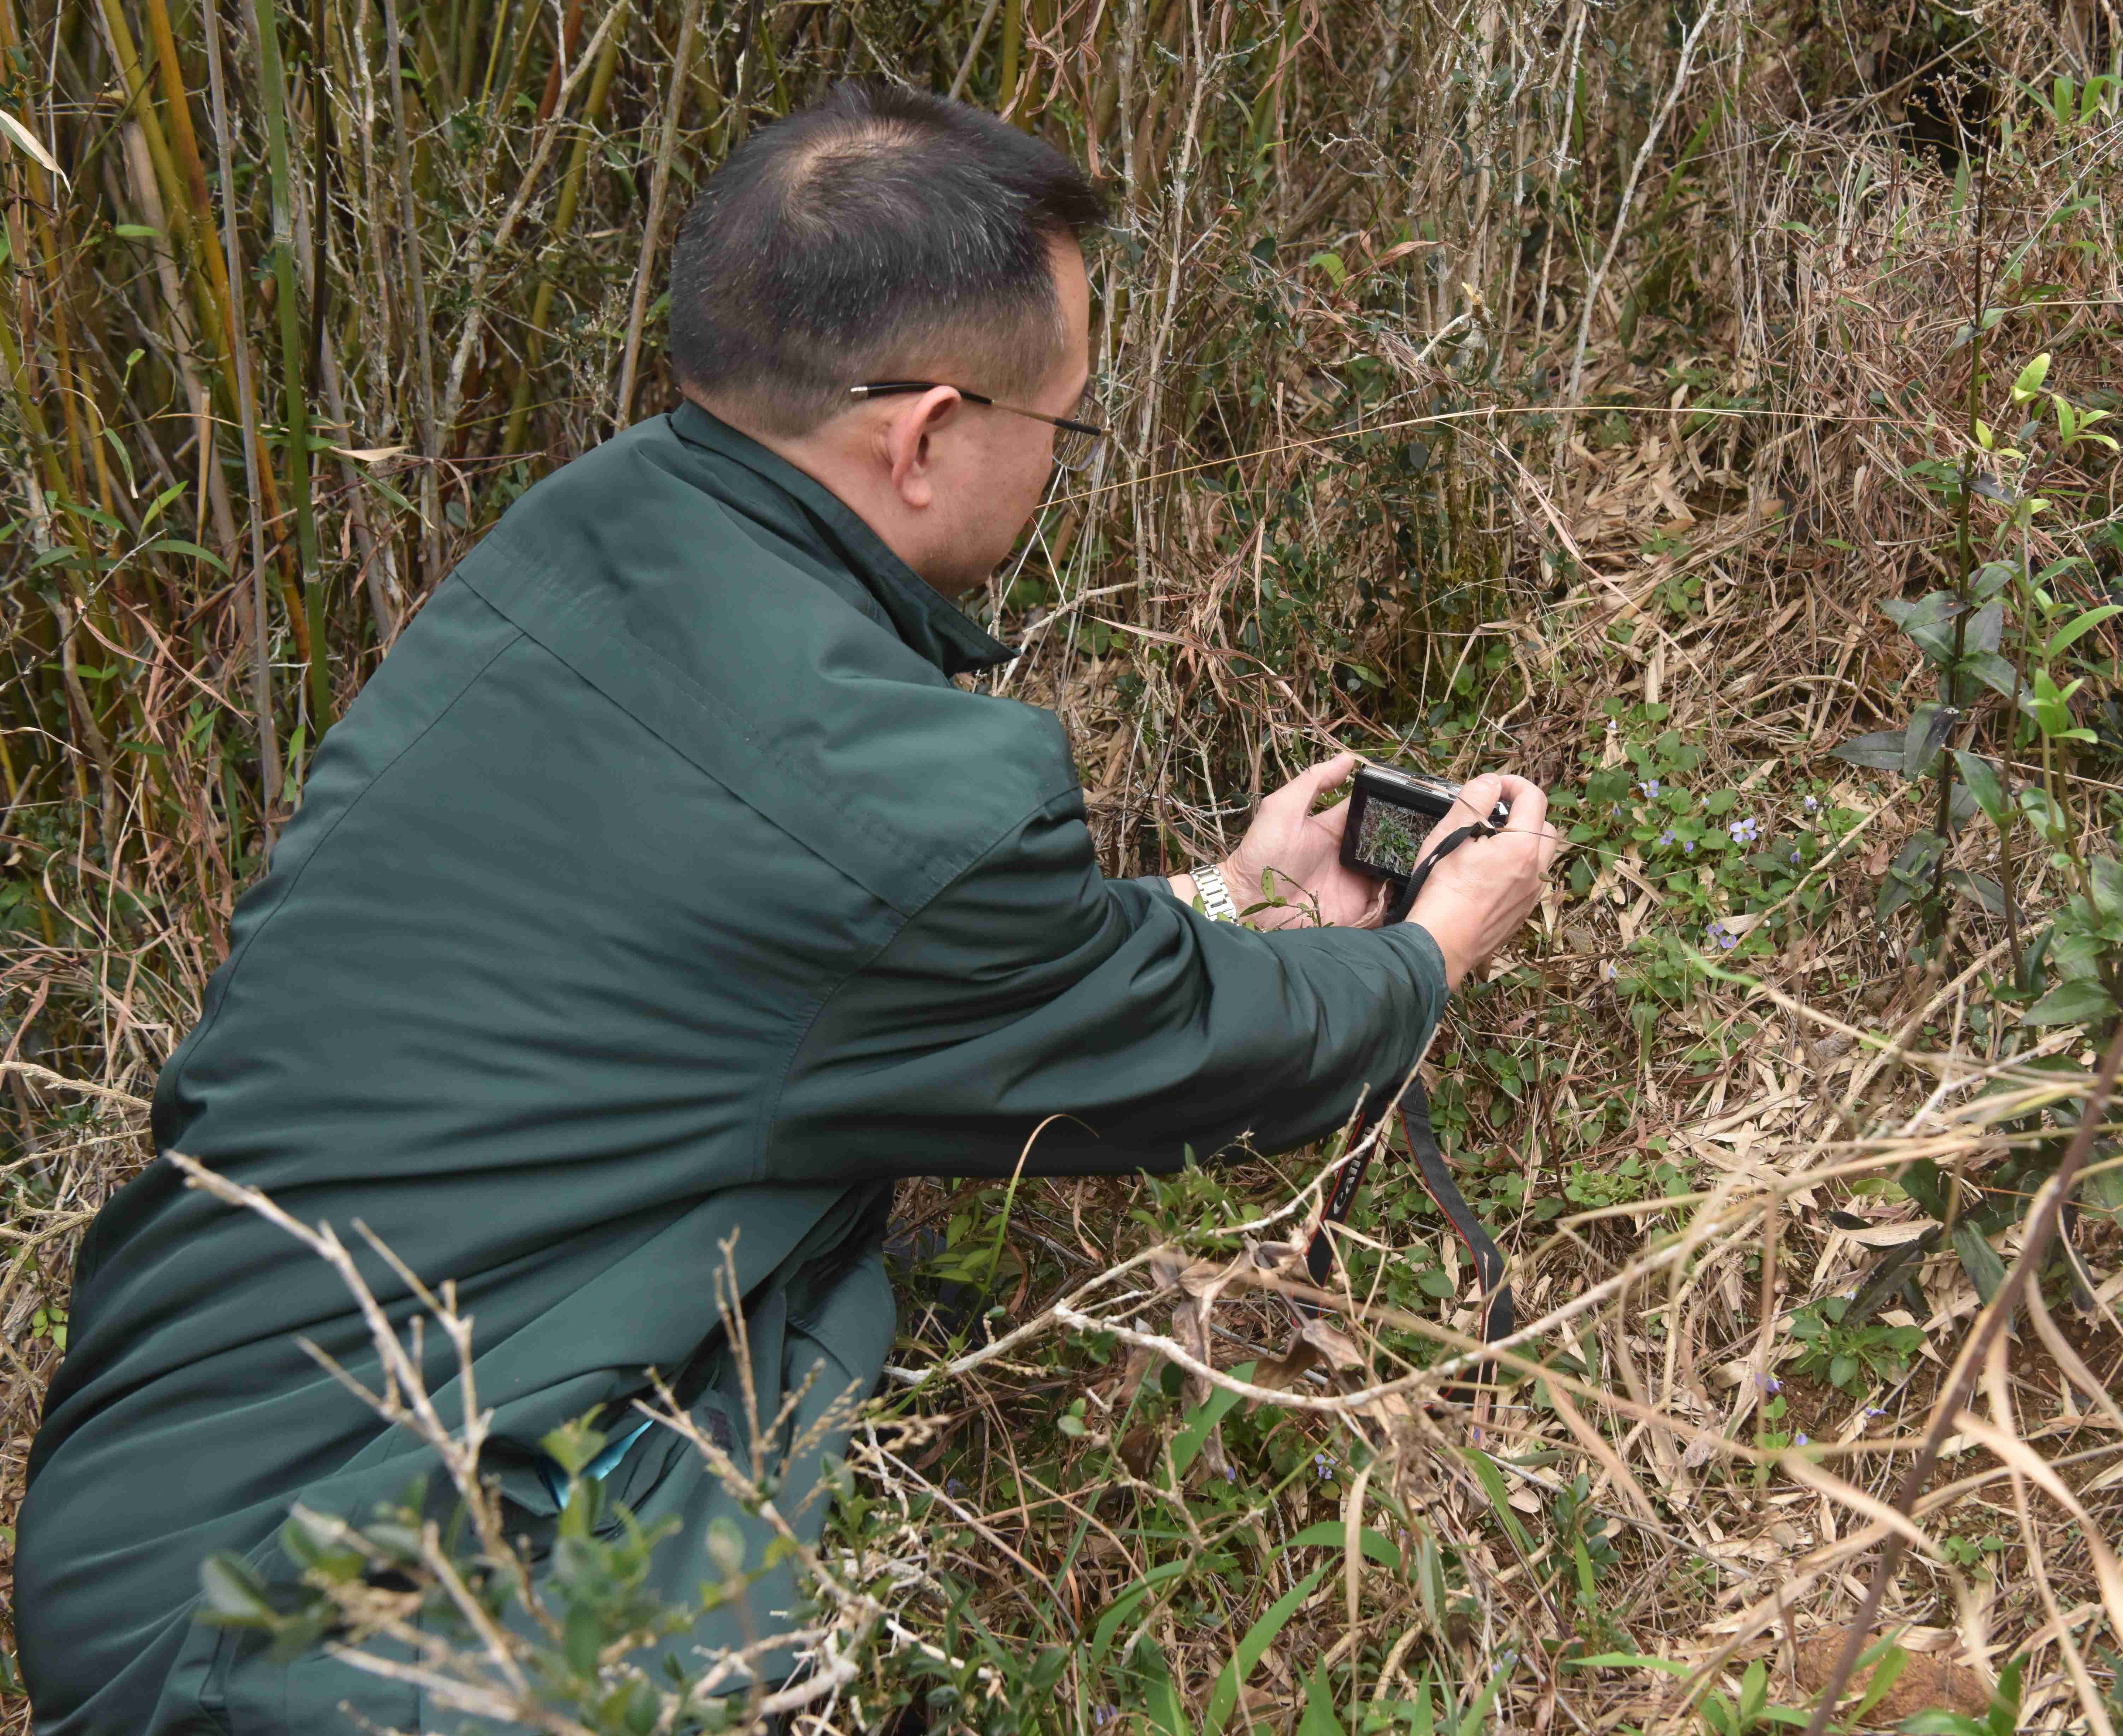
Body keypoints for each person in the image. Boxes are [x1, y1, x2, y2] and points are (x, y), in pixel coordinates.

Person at [15, 82, 1554, 1734]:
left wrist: (1229, 896)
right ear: (925, 433)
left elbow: (789, 955)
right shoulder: (899, 794)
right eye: (1065, 423)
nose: (1060, 464)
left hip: (142, 1505)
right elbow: (1160, 1048)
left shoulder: (581, 542)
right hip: (318, 1638)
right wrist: (1424, 951)